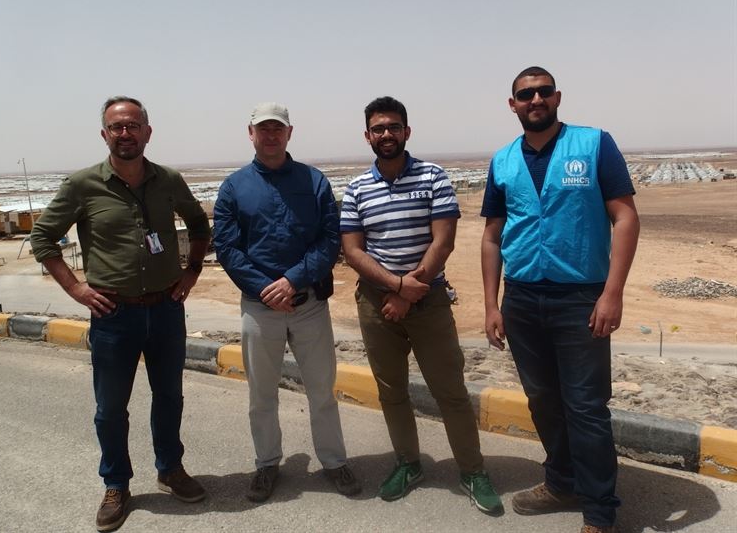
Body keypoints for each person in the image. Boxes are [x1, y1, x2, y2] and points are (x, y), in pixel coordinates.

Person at [30, 96, 210, 532]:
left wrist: (192, 270)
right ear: (104, 134)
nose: (125, 133)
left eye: (133, 125)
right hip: (113, 316)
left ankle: (170, 469)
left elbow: (198, 223)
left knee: (169, 397)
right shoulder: (82, 185)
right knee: (111, 408)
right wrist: (76, 288)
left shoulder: (168, 180)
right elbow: (43, 238)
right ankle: (116, 484)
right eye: (117, 127)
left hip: (166, 310)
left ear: (147, 132)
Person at [481, 67, 640, 533]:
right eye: (525, 94)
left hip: (581, 299)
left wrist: (612, 293)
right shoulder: (502, 160)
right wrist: (491, 304)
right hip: (522, 298)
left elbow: (625, 218)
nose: (535, 99)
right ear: (512, 104)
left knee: (586, 407)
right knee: (543, 402)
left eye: (544, 91)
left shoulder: (593, 144)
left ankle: (599, 512)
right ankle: (561, 482)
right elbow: (492, 236)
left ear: (557, 97)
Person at [340, 96, 503, 515]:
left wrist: (409, 292)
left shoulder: (433, 176)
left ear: (407, 132)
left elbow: (443, 241)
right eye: (378, 128)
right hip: (377, 305)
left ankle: (473, 471)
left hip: (428, 300)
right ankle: (408, 464)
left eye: (394, 127)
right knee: (391, 392)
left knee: (451, 392)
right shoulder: (356, 189)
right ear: (367, 136)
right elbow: (353, 251)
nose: (386, 134)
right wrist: (396, 286)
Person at [213, 102, 361, 503]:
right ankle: (266, 464)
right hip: (260, 307)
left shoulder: (314, 181)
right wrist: (267, 288)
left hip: (309, 304)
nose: (271, 135)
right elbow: (227, 248)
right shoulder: (233, 187)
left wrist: (292, 279)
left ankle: (334, 462)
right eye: (263, 128)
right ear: (250, 133)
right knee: (262, 395)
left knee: (322, 391)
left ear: (289, 133)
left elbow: (329, 240)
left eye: (277, 128)